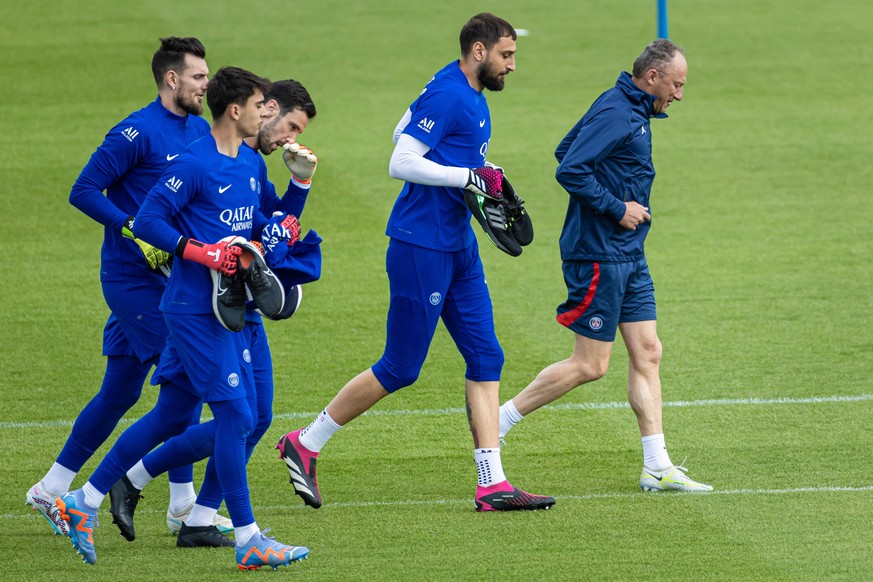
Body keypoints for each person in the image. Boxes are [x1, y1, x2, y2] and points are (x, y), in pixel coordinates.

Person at [276, 13, 555, 512]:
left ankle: (492, 483)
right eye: (506, 55)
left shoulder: (465, 93)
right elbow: (400, 159)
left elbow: (400, 127)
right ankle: (306, 441)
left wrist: (481, 170)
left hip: (457, 245)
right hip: (419, 245)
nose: (512, 65)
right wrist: (464, 177)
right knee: (401, 367)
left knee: (486, 356)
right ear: (478, 51)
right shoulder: (450, 93)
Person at [55, 66, 309, 570]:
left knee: (203, 414)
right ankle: (247, 537)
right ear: (236, 110)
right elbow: (148, 220)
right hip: (193, 310)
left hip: (228, 307)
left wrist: (296, 191)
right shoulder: (194, 163)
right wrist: (203, 253)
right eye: (262, 105)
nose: (268, 113)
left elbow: (264, 225)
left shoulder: (249, 167)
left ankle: (83, 501)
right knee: (237, 417)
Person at [25, 36, 231, 537]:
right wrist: (132, 228)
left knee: (118, 393)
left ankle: (51, 488)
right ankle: (181, 502)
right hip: (133, 281)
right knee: (186, 379)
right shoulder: (135, 132)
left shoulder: (201, 129)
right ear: (172, 79)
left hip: (170, 279)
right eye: (199, 77)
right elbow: (83, 189)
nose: (207, 84)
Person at [497, 39, 712, 493]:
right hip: (598, 253)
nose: (679, 95)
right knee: (590, 365)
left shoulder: (627, 107)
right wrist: (617, 207)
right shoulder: (618, 112)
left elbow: (564, 148)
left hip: (628, 253)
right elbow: (570, 168)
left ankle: (657, 465)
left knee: (648, 351)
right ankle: (496, 421)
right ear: (652, 77)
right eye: (676, 84)